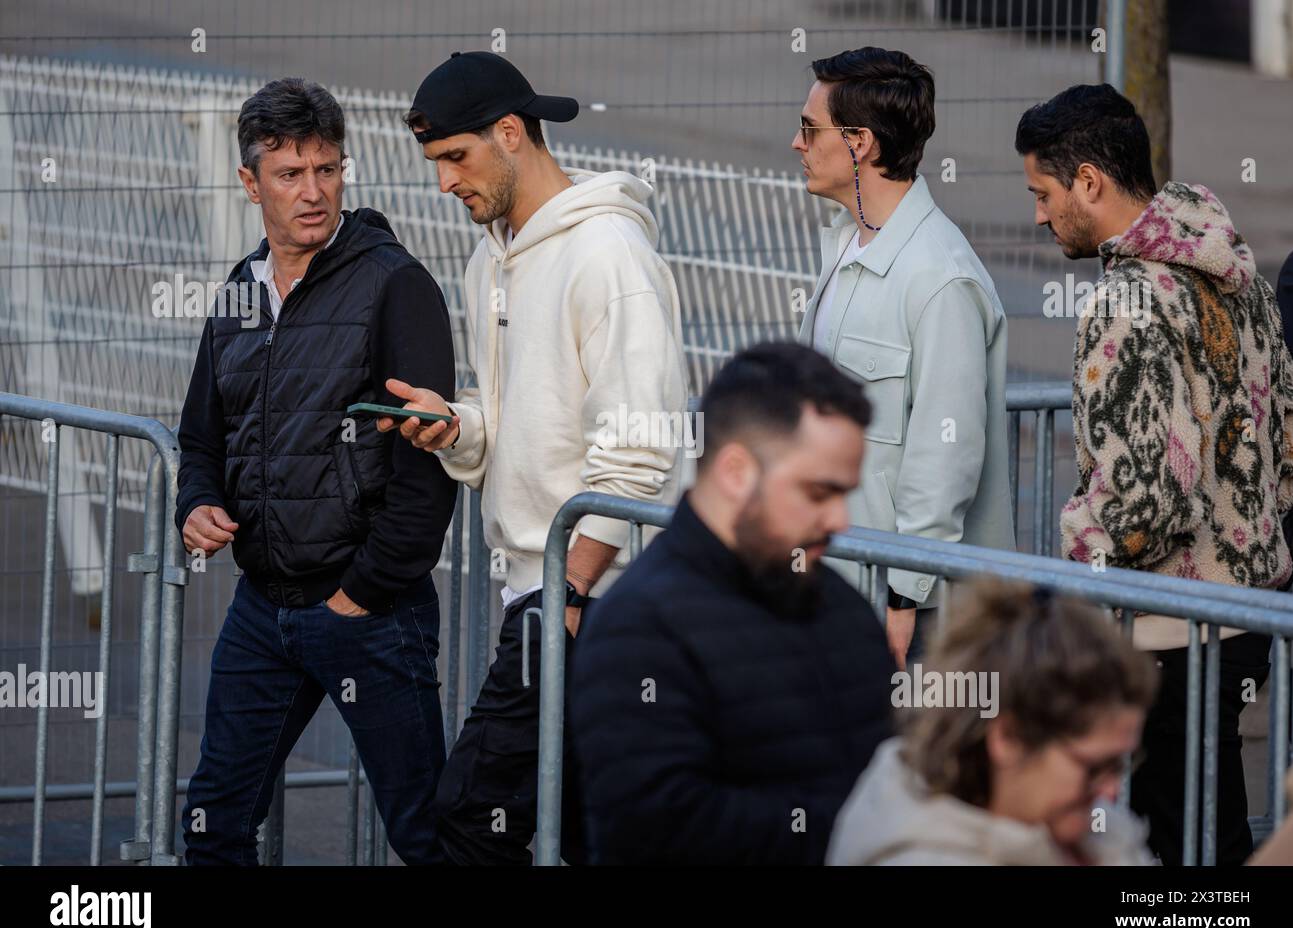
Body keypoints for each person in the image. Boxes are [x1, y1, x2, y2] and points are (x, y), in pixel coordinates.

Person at [387, 51, 688, 864]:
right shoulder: (493, 253)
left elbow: (638, 447)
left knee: (465, 816)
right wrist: (457, 427)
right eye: (435, 162)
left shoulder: (608, 254)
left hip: (597, 595)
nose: (444, 183)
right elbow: (526, 415)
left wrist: (571, 590)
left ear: (512, 133)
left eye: (457, 157)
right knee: (589, 831)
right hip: (549, 590)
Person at [1015, 82, 1293, 865]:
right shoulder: (1233, 268)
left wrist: (1077, 540)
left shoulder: (1125, 302)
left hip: (1167, 621)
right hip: (1252, 606)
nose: (1039, 215)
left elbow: (1143, 507)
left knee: (1165, 840)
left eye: (1043, 192)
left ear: (1089, 183)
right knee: (1216, 822)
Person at [176, 78, 458, 865]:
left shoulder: (395, 285)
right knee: (214, 819)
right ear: (249, 182)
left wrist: (358, 595)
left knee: (426, 831)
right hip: (262, 609)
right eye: (290, 174)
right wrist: (195, 503)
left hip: (370, 609)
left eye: (327, 169)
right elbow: (201, 438)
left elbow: (425, 468)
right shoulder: (239, 292)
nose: (313, 192)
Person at [570, 343, 896, 864]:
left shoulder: (843, 607)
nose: (840, 520)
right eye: (818, 492)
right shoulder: (637, 631)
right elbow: (660, 833)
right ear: (736, 471)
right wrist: (873, 832)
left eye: (845, 493)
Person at [792, 47, 1014, 669]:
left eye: (811, 129)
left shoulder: (940, 278)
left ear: (859, 143)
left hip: (914, 612)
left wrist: (902, 597)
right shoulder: (847, 246)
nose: (796, 142)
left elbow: (943, 457)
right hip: (840, 584)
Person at [827, 579, 1158, 866]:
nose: (1111, 791)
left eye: (1119, 763)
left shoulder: (1079, 822)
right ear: (1009, 738)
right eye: (1093, 768)